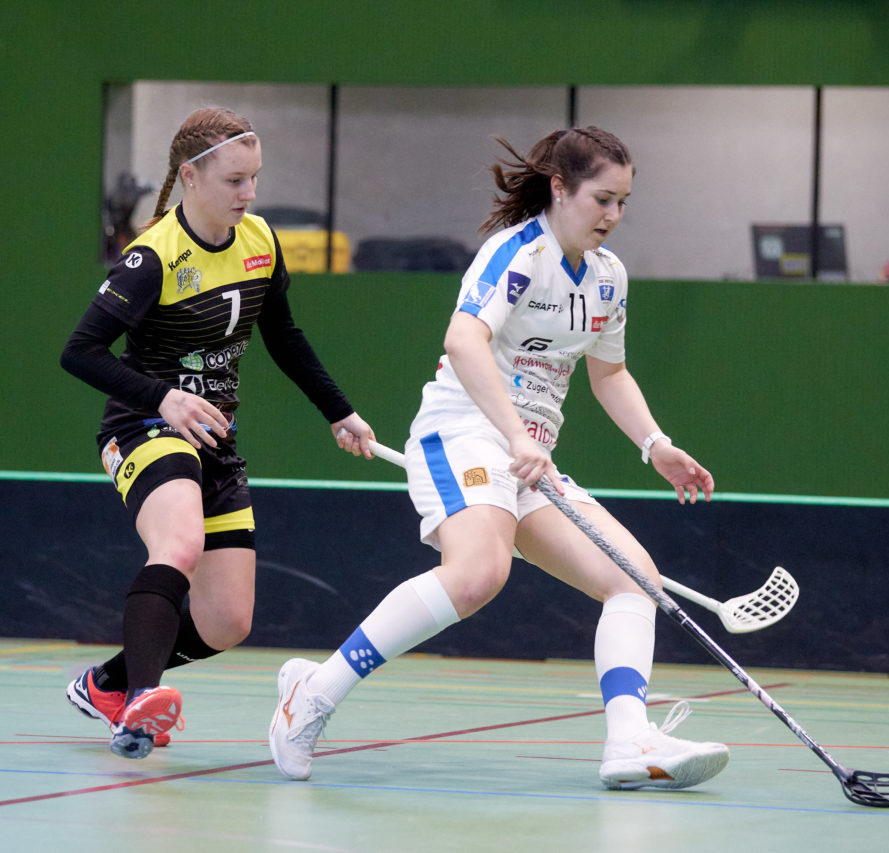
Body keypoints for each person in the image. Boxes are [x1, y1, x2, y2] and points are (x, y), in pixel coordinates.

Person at [269, 126, 729, 791]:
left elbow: (609, 374)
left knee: (636, 580)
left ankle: (629, 741)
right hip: (462, 435)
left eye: (624, 202)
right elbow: (463, 340)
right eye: (602, 199)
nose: (613, 216)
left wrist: (655, 444)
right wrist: (515, 433)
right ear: (560, 188)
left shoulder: (608, 278)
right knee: (478, 571)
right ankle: (311, 696)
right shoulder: (514, 255)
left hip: (527, 455)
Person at [60, 106, 374, 759]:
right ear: (191, 176)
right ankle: (139, 708)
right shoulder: (153, 257)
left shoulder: (259, 240)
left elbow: (284, 338)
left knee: (228, 620)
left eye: (254, 178)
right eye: (235, 180)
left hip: (214, 443)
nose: (249, 194)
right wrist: (162, 397)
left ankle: (108, 684)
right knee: (180, 540)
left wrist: (338, 411)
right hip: (143, 426)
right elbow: (81, 351)